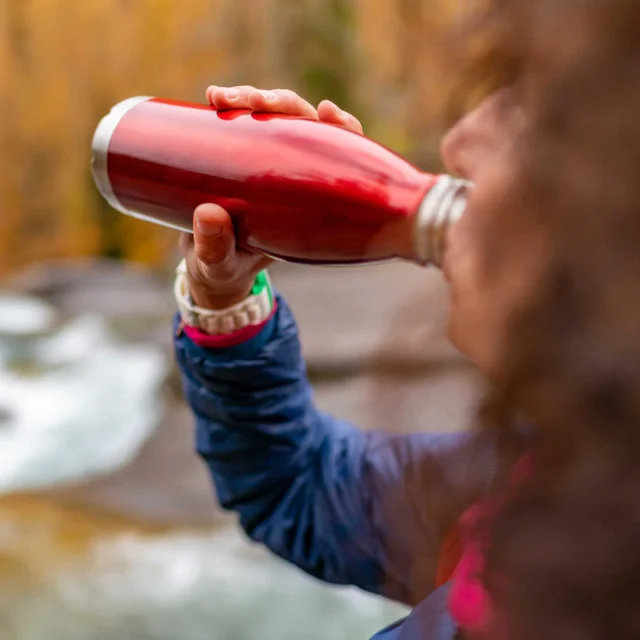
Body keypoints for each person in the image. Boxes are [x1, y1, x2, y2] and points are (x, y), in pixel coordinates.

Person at [174, 1, 640, 637]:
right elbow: (299, 487)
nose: (460, 139)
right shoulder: (562, 473)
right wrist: (228, 301)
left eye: (540, 103)